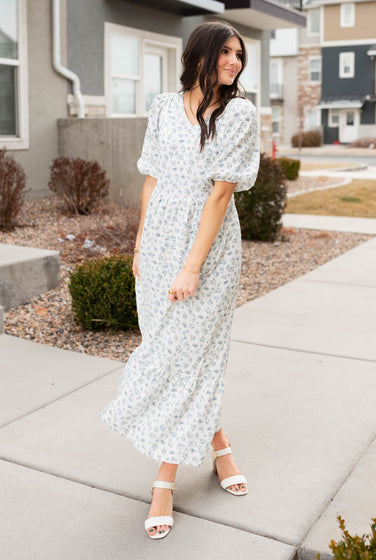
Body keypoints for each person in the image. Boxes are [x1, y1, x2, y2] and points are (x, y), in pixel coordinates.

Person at [100, 20, 260, 540]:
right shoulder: (165, 107)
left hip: (207, 248)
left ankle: (163, 482)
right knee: (172, 352)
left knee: (191, 355)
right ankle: (220, 445)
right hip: (160, 239)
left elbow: (220, 194)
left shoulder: (239, 113)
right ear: (200, 55)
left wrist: (191, 265)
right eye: (225, 53)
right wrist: (141, 244)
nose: (234, 62)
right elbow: (150, 178)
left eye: (239, 54)